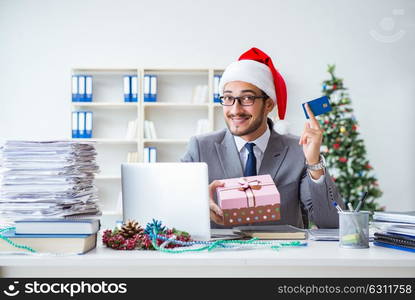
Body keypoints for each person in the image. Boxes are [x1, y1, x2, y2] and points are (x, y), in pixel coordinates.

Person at [181, 47, 344, 229]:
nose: (235, 110)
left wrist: (314, 162)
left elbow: (331, 223)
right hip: (221, 254)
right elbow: (176, 210)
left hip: (282, 255)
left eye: (247, 98)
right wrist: (199, 203)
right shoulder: (200, 148)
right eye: (228, 98)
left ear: (268, 104)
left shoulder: (298, 150)